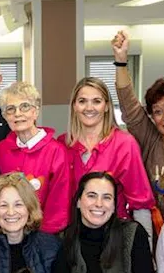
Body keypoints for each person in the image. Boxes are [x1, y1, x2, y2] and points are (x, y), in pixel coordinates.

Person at [112, 30, 164, 221]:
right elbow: (129, 104)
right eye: (157, 112)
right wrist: (121, 61)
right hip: (151, 234)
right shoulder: (150, 140)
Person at [60, 78, 155, 240]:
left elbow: (140, 204)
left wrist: (147, 250)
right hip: (73, 238)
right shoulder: (62, 144)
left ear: (106, 106)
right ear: (74, 106)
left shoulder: (124, 144)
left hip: (115, 237)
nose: (89, 108)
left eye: (96, 101)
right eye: (82, 101)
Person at [0, 82, 72, 234]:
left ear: (36, 112)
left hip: (45, 236)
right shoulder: (1, 150)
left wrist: (43, 238)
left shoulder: (56, 151)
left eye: (24, 107)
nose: (17, 114)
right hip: (7, 233)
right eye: (11, 109)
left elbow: (59, 204)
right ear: (5, 116)